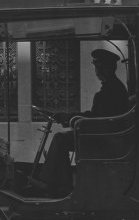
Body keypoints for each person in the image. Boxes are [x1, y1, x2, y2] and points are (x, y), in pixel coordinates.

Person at [33, 48, 129, 197]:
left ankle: (57, 185)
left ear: (105, 68)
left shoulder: (110, 91)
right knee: (63, 138)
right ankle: (59, 184)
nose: (96, 71)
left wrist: (72, 119)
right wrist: (68, 117)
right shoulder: (113, 87)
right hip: (104, 136)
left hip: (103, 139)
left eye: (97, 67)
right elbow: (95, 116)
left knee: (60, 139)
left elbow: (97, 119)